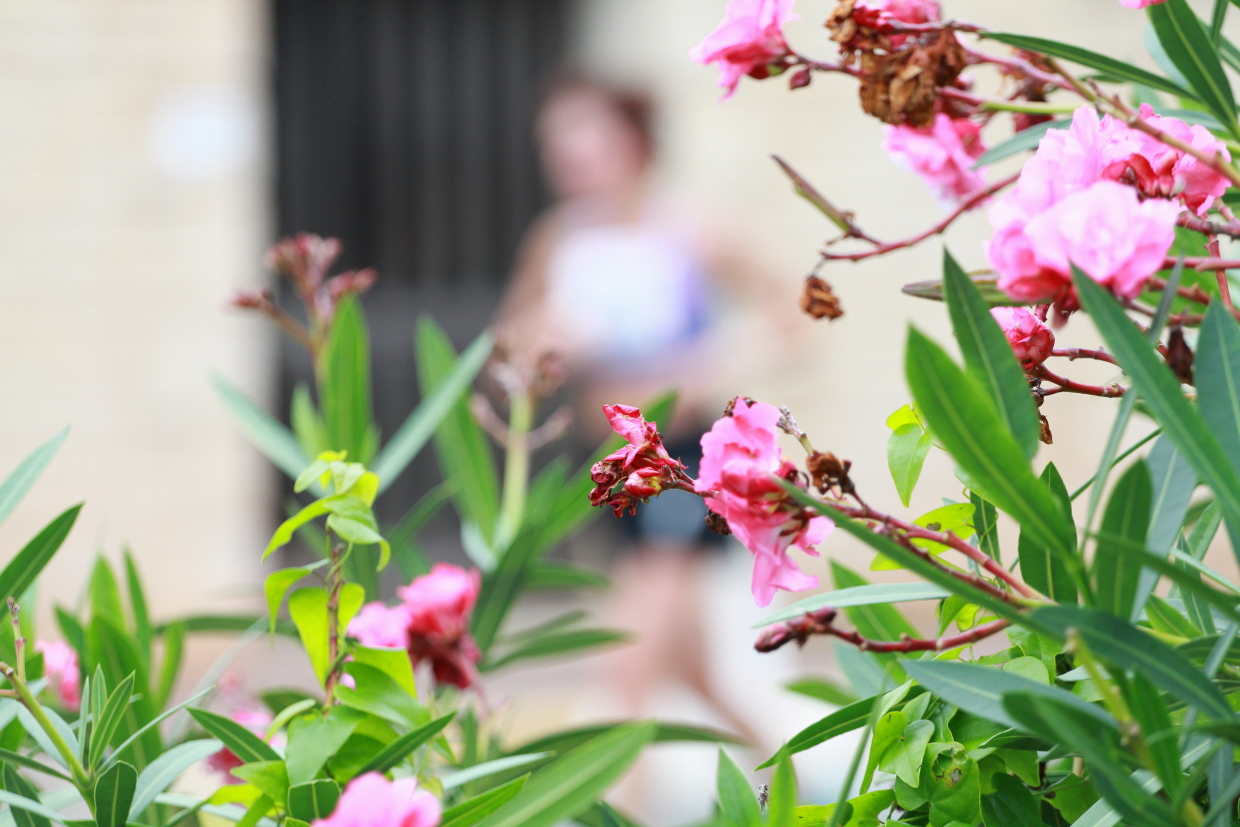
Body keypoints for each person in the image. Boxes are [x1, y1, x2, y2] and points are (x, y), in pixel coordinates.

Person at [495, 76, 793, 752]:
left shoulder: (691, 228)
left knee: (626, 668)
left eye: (581, 132)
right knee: (689, 670)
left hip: (680, 456)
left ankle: (621, 809)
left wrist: (713, 362)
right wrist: (539, 339)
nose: (564, 151)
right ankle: (789, 781)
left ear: (631, 139)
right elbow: (506, 347)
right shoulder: (559, 240)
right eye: (554, 138)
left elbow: (791, 313)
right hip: (605, 468)